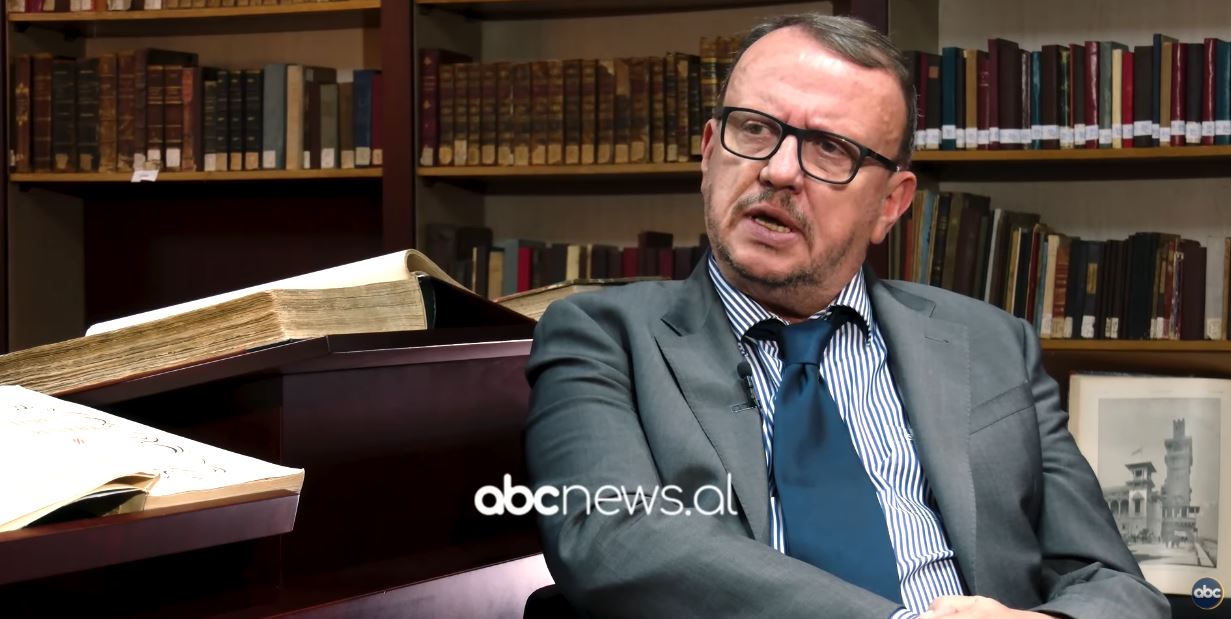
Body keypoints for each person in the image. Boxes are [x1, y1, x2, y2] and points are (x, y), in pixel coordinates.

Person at [523, 12, 1168, 619]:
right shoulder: (604, 337)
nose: (778, 171)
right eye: (755, 129)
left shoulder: (993, 344)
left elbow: (1113, 584)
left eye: (831, 149)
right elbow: (611, 538)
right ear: (709, 152)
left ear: (891, 204)